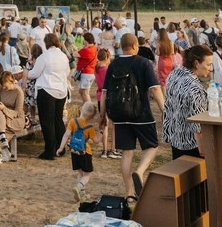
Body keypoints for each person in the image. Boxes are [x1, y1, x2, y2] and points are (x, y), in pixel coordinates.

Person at [103, 33, 165, 203]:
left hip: (120, 116)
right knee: (152, 146)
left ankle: (130, 193)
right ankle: (140, 171)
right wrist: (164, 110)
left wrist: (103, 115)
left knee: (127, 153)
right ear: (136, 45)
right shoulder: (144, 63)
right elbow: (154, 89)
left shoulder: (113, 64)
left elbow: (104, 93)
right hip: (141, 113)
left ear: (121, 46)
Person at [162, 45, 212, 159]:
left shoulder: (174, 74)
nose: (210, 68)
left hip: (175, 137)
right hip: (192, 145)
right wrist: (203, 150)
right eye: (208, 64)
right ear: (196, 63)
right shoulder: (194, 88)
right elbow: (198, 124)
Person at [28, 33, 71, 161]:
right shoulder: (63, 56)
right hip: (61, 91)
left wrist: (25, 73)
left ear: (46, 44)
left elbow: (34, 73)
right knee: (58, 120)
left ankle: (50, 151)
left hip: (47, 90)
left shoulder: (44, 57)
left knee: (47, 122)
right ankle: (60, 148)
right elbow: (67, 72)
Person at [56, 100, 99, 202]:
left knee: (80, 172)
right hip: (85, 152)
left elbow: (66, 135)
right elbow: (96, 141)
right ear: (92, 117)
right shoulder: (90, 128)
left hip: (74, 151)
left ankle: (82, 194)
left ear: (82, 109)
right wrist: (101, 131)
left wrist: (61, 148)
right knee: (87, 174)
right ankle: (78, 187)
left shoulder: (72, 121)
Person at [0, 67, 26, 164]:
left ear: (12, 82)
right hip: (0, 116)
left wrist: (4, 109)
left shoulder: (18, 92)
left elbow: (17, 112)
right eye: (2, 86)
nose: (3, 88)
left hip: (15, 118)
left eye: (6, 87)